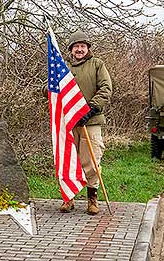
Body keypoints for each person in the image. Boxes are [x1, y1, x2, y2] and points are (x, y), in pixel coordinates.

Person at [59, 30, 113, 215]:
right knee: (69, 160)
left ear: (87, 48)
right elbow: (48, 87)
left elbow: (106, 88)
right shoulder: (63, 67)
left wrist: (90, 109)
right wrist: (51, 89)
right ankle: (69, 198)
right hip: (68, 122)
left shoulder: (97, 64)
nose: (79, 50)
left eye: (82, 46)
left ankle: (92, 199)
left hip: (91, 121)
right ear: (71, 50)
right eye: (76, 47)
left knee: (91, 160)